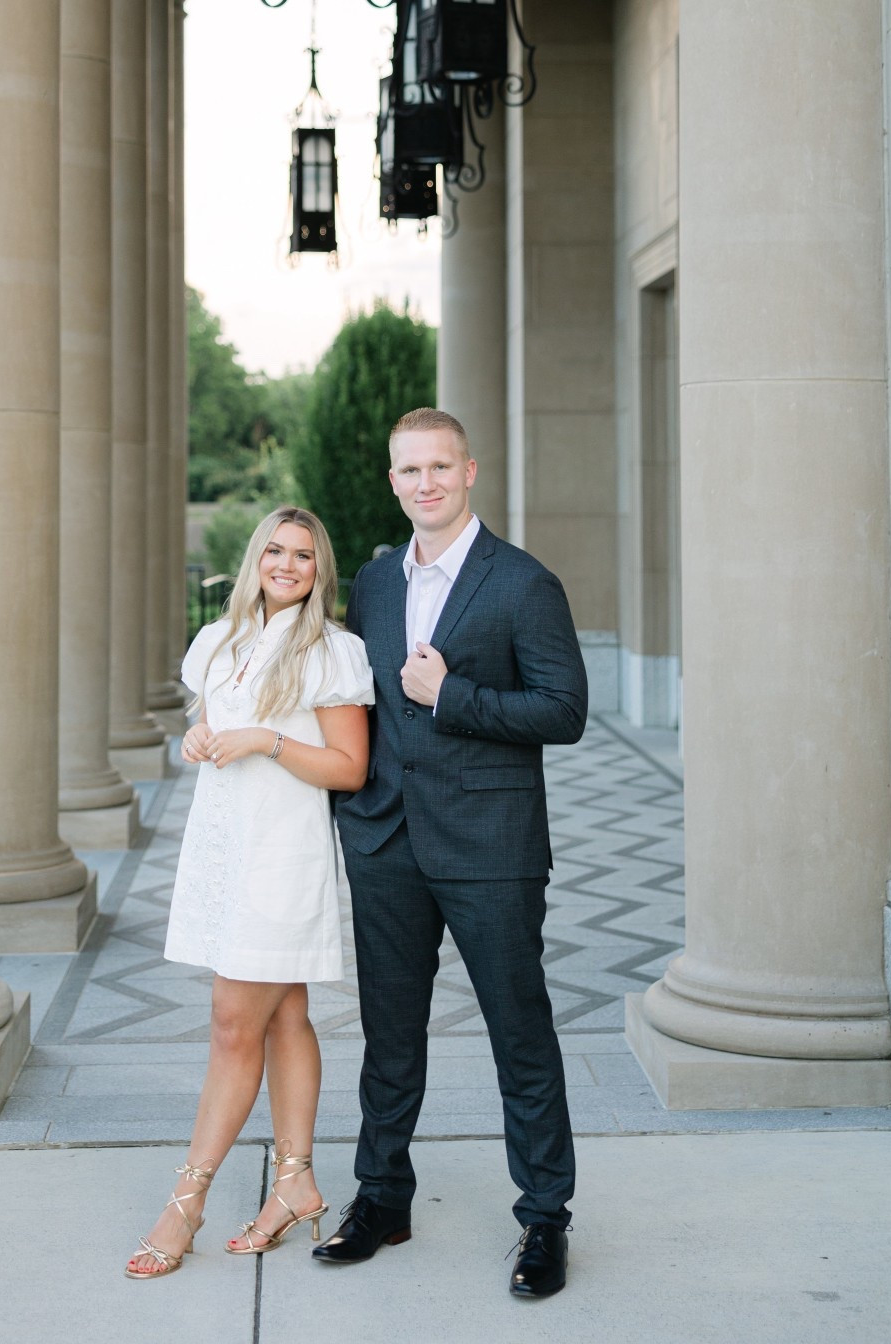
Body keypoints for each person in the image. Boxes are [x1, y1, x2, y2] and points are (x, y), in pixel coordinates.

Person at [313, 407, 588, 1302]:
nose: (423, 483)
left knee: (519, 1033)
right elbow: (356, 702)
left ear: (469, 472)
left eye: (439, 467)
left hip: (491, 846)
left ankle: (543, 1218)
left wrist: (452, 694)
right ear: (391, 480)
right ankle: (382, 1197)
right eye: (407, 471)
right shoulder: (377, 580)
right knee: (389, 1038)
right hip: (388, 840)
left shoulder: (522, 583)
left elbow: (563, 711)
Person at [125, 504, 374, 1279]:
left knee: (233, 1026)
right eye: (275, 549)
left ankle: (185, 1203)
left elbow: (349, 768)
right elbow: (208, 729)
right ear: (254, 559)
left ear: (318, 569)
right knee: (284, 1012)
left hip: (280, 859)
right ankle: (295, 1182)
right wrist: (201, 737)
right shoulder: (218, 643)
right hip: (221, 852)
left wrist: (267, 739)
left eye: (303, 554)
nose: (288, 564)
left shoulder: (333, 650)